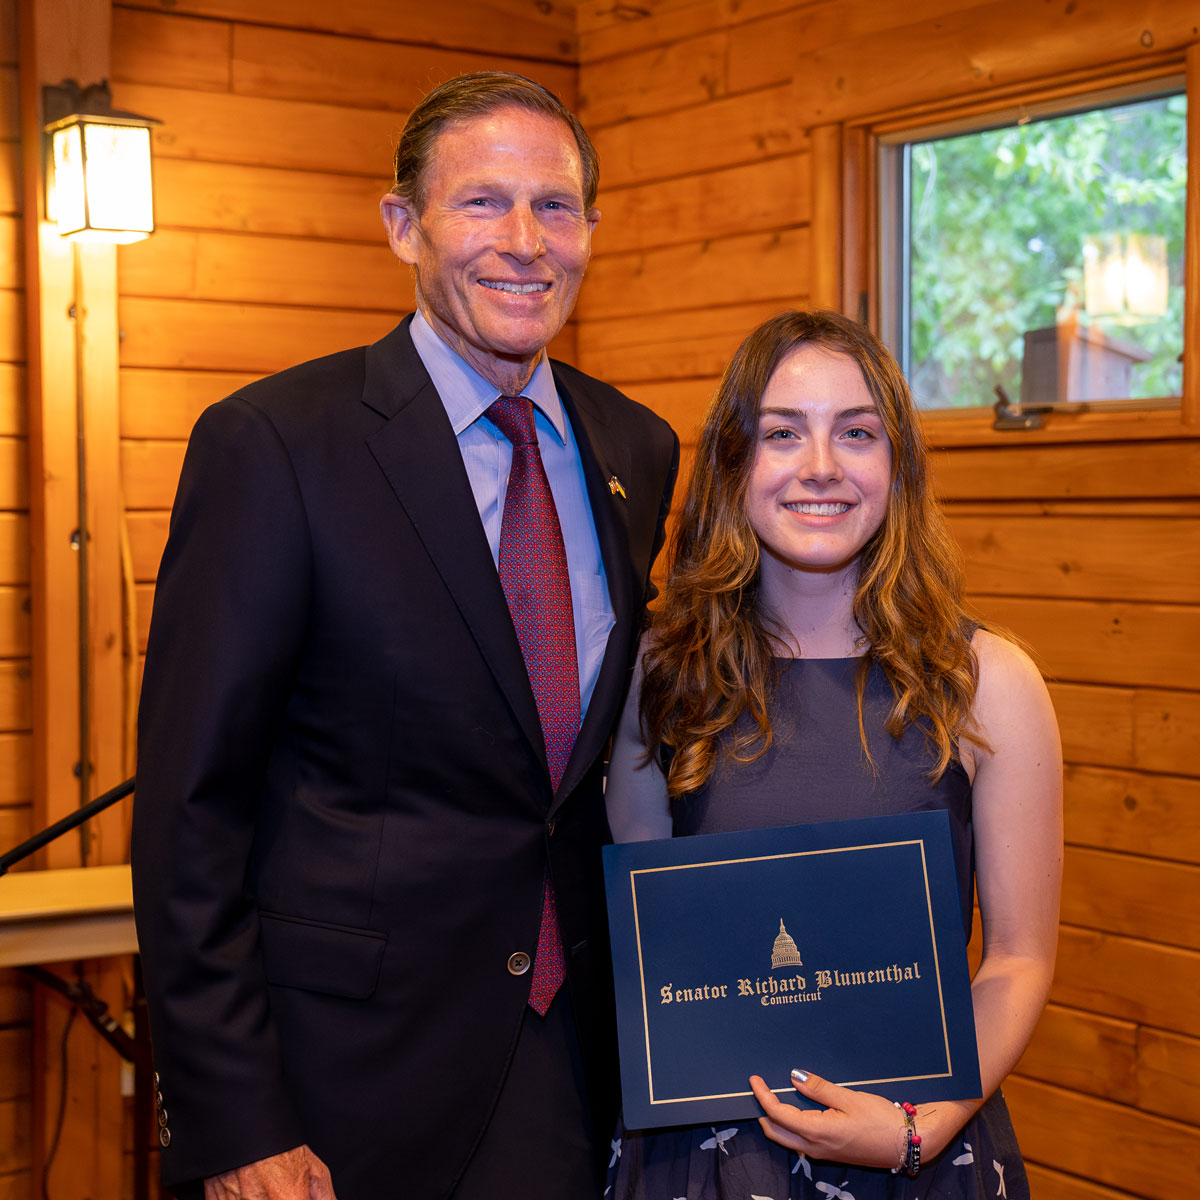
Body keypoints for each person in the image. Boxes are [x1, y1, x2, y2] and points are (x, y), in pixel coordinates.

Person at [131, 72, 678, 1200]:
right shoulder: (276, 446)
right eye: (482, 203)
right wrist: (237, 1121)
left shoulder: (638, 448)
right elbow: (192, 814)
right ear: (402, 226)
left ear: (591, 233)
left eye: (557, 207)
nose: (525, 242)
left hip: (575, 1059)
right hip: (338, 1086)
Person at [604, 310, 1061, 1199]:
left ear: (897, 466)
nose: (821, 466)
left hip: (917, 1144)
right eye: (783, 434)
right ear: (735, 465)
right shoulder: (664, 673)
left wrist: (917, 1130)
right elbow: (648, 941)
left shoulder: (987, 682)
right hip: (704, 1155)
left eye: (856, 433)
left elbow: (1017, 958)